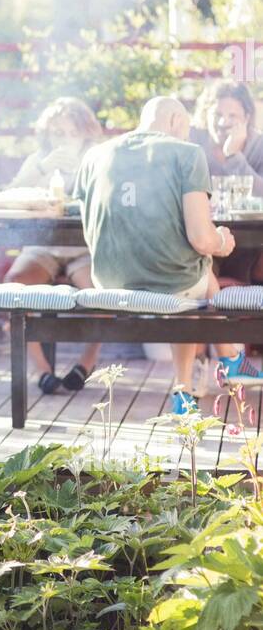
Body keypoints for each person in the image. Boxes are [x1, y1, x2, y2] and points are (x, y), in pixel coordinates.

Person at [72, 96, 263, 414]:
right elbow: (201, 238)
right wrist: (221, 240)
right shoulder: (186, 153)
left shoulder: (94, 155)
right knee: (195, 274)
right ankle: (218, 367)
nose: (187, 137)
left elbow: (90, 226)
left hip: (107, 281)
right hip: (171, 282)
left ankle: (198, 382)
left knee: (199, 275)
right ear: (176, 121)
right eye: (186, 129)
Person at [4, 96, 103, 393]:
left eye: (72, 133)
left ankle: (86, 363)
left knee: (102, 295)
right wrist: (44, 168)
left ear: (86, 134)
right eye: (58, 133)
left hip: (83, 248)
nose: (65, 139)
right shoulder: (38, 161)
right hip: (42, 247)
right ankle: (43, 370)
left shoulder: (96, 162)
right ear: (46, 134)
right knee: (13, 286)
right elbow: (10, 195)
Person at [190, 78, 263, 284]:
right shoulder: (193, 142)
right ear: (206, 114)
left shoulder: (258, 145)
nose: (223, 122)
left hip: (251, 240)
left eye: (233, 116)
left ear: (247, 117)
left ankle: (236, 290)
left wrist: (233, 156)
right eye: (217, 114)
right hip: (202, 235)